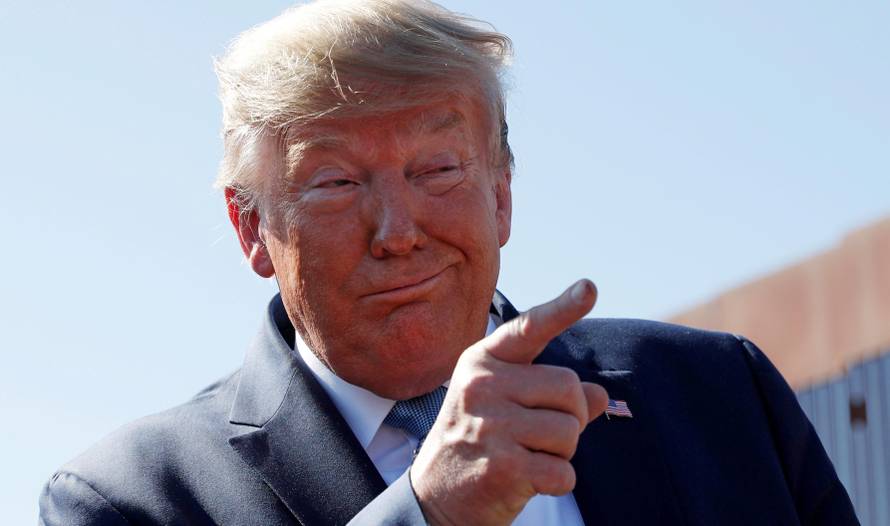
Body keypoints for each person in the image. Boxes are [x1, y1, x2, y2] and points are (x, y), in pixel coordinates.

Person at [39, 1, 859, 525]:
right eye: (335, 183)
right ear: (252, 227)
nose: (398, 230)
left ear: (502, 193)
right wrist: (425, 515)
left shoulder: (719, 395)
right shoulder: (128, 500)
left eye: (437, 171)